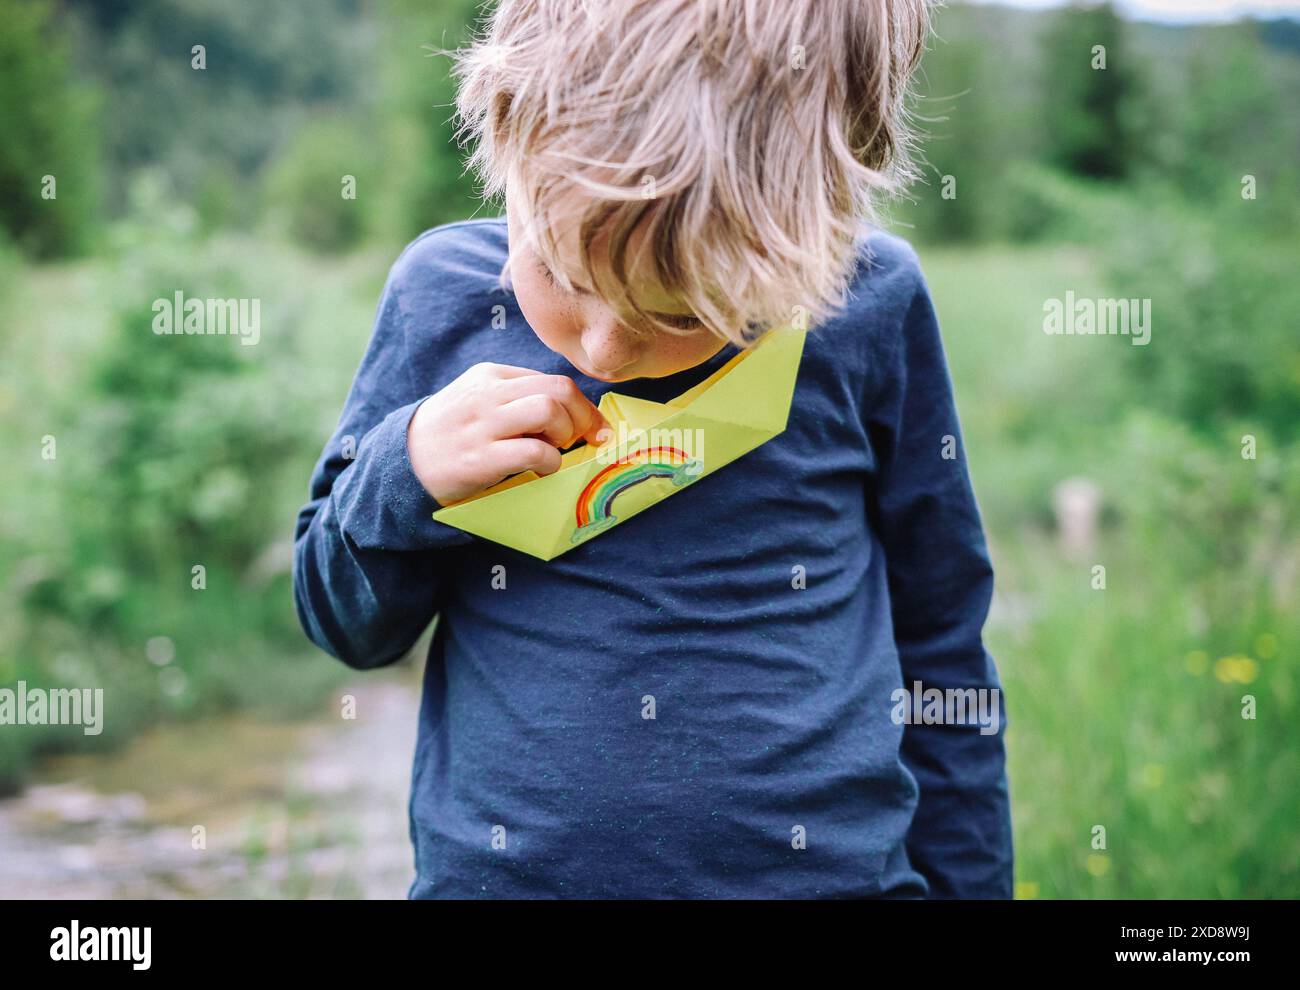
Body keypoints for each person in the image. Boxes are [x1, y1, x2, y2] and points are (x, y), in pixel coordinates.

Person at [293, 0, 1013, 898]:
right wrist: (405, 473)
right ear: (506, 135)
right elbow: (345, 626)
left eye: (677, 312)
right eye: (558, 271)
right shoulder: (440, 303)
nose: (601, 349)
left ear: (813, 238)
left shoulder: (863, 311)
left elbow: (944, 645)